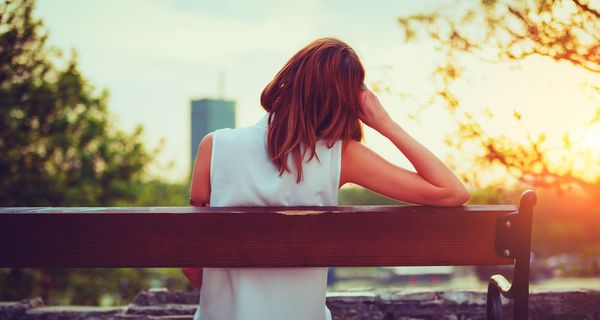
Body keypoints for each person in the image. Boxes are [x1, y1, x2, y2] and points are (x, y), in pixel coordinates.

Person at [184, 37, 469, 320]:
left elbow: (191, 264)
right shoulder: (341, 155)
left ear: (288, 78)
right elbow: (451, 191)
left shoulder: (215, 146)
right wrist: (385, 123)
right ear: (349, 101)